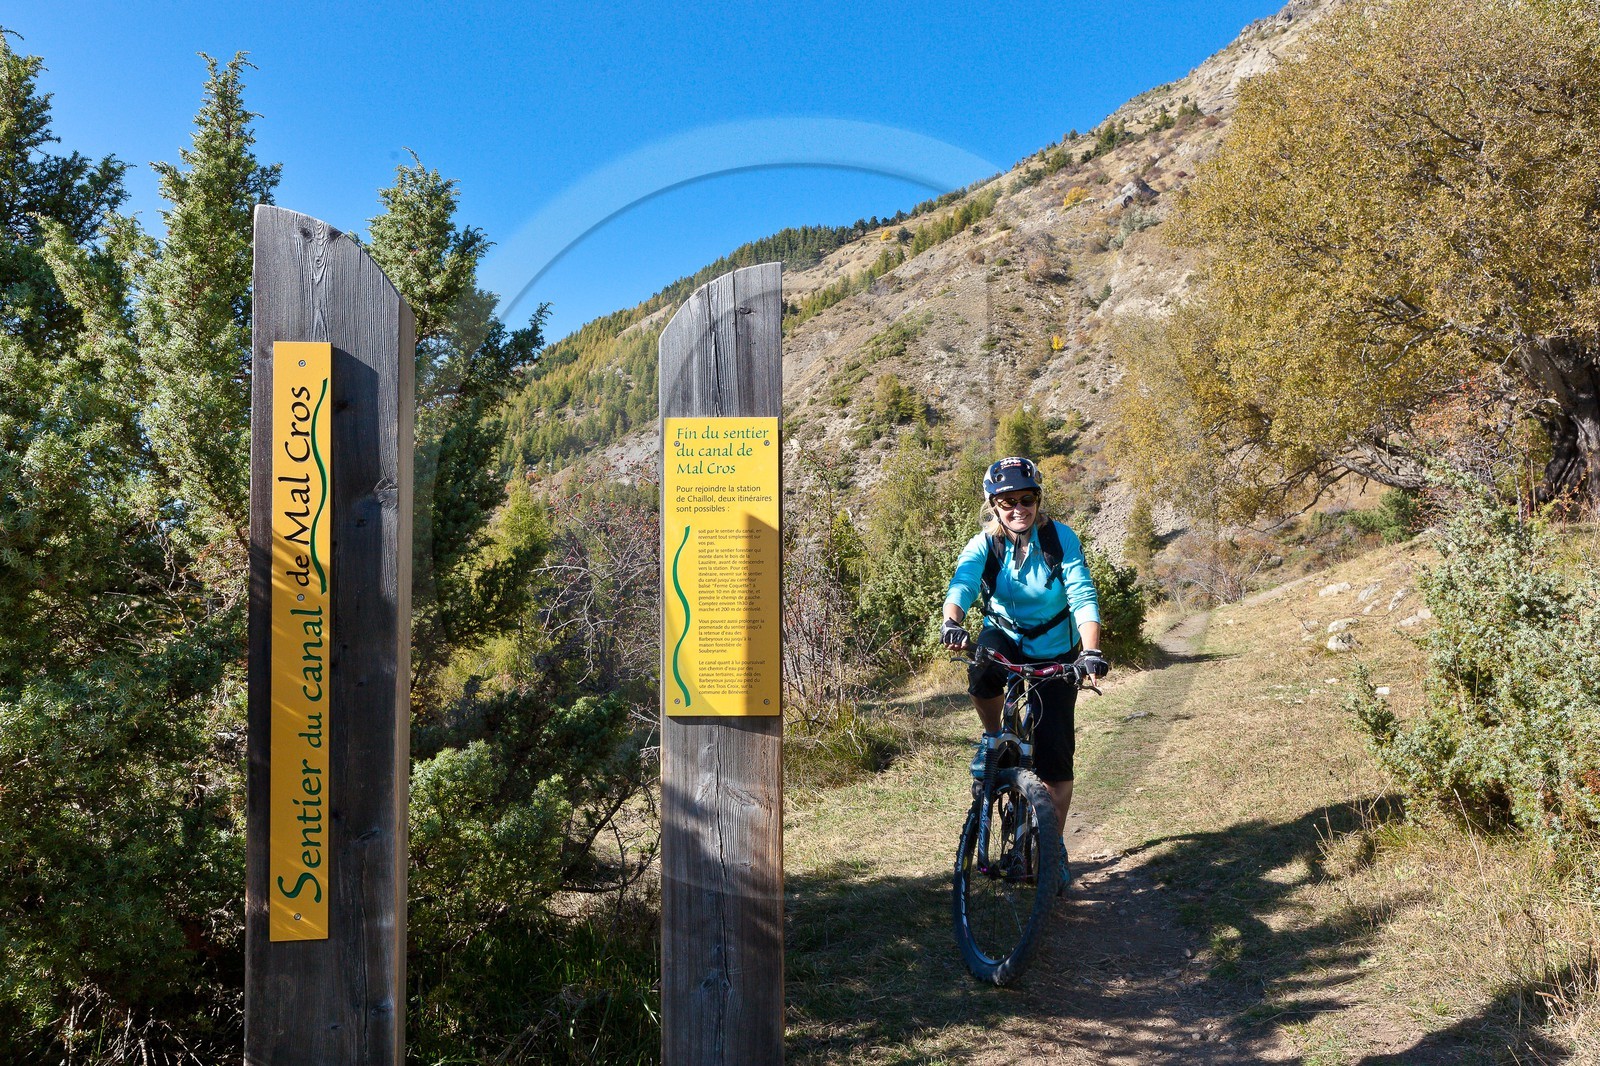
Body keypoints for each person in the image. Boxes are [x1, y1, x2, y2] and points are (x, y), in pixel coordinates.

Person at [940, 455, 1109, 888]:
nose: (1019, 507)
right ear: (993, 505)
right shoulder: (986, 544)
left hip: (1057, 652)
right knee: (982, 668)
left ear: (1038, 499)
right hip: (1006, 638)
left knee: (1056, 761)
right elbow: (963, 581)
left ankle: (1049, 848)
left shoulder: (1059, 539)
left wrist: (1090, 652)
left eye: (1027, 498)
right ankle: (994, 736)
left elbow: (1082, 593)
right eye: (1007, 500)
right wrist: (953, 621)